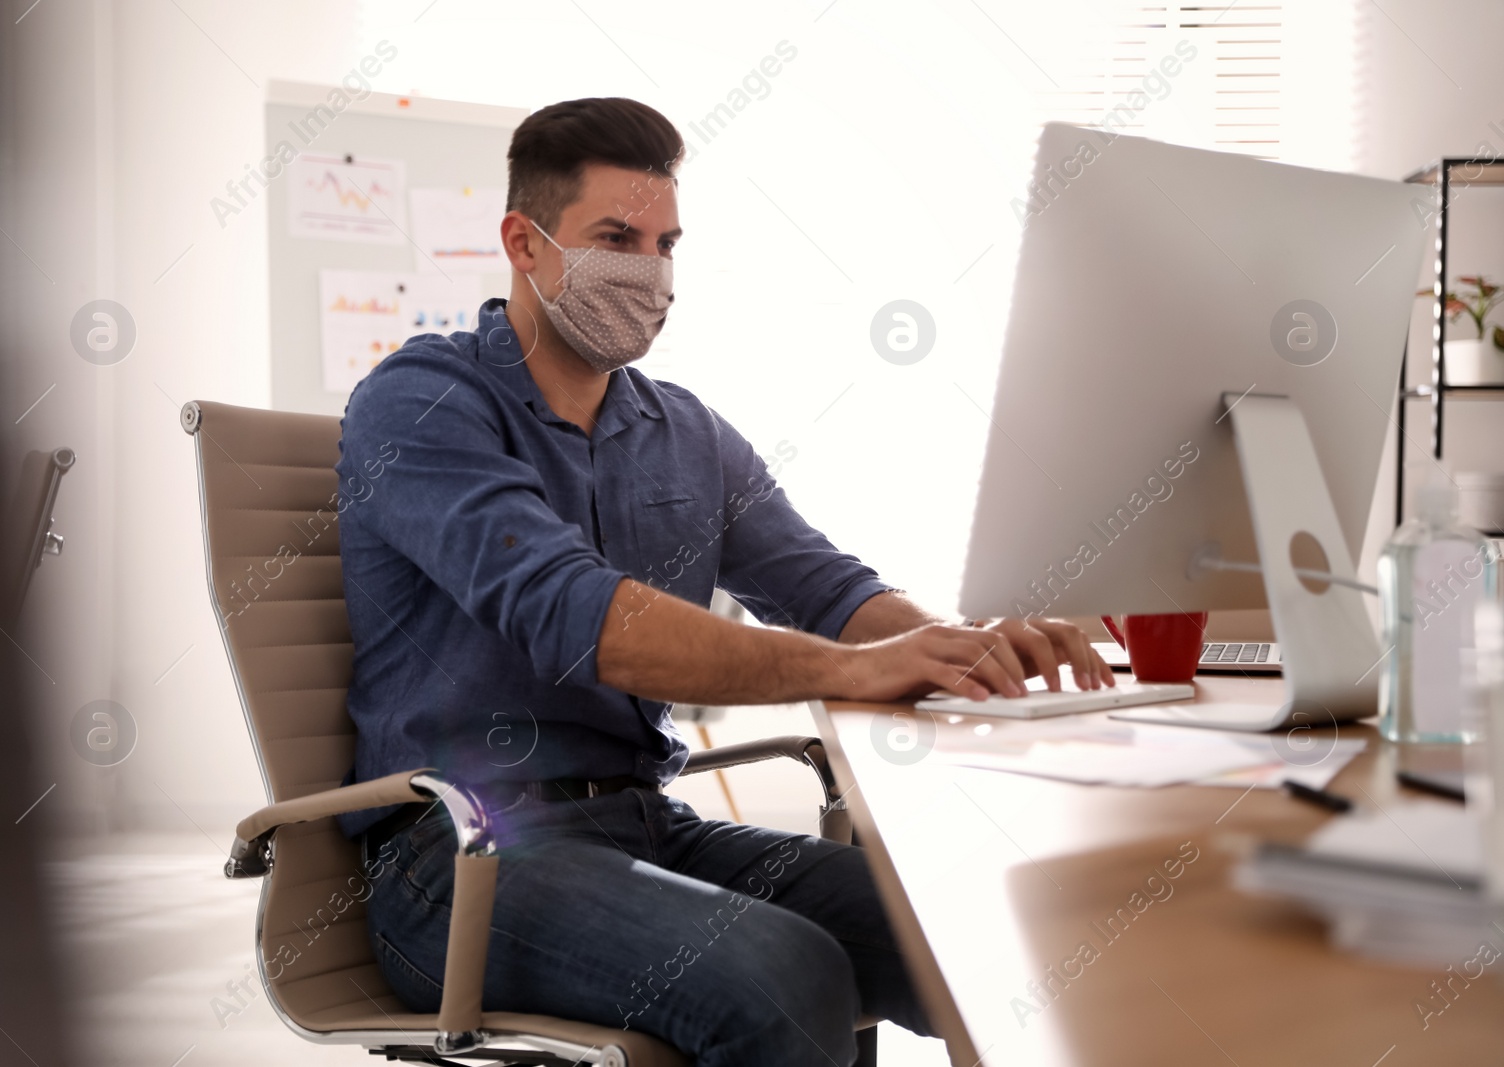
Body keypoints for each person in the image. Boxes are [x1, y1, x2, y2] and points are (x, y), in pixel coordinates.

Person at [335, 96, 1112, 1067]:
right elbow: (583, 617)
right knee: (785, 974)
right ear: (523, 244)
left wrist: (957, 646)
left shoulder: (689, 433)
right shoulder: (420, 400)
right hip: (461, 856)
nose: (649, 270)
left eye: (665, 243)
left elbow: (829, 589)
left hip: (645, 821)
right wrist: (854, 668)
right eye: (616, 237)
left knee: (962, 921)